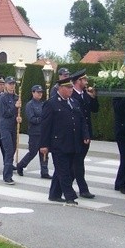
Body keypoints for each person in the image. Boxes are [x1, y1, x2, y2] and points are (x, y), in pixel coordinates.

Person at [40, 77, 89, 205]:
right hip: (58, 143)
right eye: (68, 87)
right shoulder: (51, 103)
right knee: (64, 171)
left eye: (72, 87)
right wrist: (44, 144)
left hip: (73, 142)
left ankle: (54, 194)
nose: (71, 90)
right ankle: (69, 196)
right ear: (60, 88)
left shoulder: (74, 102)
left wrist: (85, 134)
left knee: (69, 170)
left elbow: (81, 120)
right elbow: (45, 126)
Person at [69, 69, 97, 199]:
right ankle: (83, 189)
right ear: (78, 81)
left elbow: (95, 109)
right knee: (78, 161)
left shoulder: (85, 94)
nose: (86, 82)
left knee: (77, 162)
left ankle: (65, 185)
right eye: (84, 80)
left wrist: (93, 97)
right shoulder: (71, 95)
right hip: (76, 134)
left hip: (86, 133)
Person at [16, 85, 50, 179]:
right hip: (35, 132)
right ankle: (21, 165)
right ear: (33, 93)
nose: (40, 94)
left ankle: (44, 172)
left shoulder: (43, 103)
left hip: (43, 132)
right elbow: (31, 119)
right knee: (33, 152)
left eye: (41, 92)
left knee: (44, 152)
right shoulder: (30, 104)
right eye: (38, 92)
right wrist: (42, 119)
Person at [0, 76, 21, 185]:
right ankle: (7, 176)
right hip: (5, 127)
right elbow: (5, 113)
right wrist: (15, 107)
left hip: (13, 127)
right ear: (6, 85)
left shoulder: (17, 97)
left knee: (13, 150)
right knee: (9, 150)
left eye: (13, 84)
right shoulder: (3, 97)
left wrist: (19, 117)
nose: (12, 86)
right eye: (10, 84)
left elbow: (17, 113)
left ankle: (8, 172)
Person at [113, 96, 125, 194]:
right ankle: (123, 184)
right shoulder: (118, 96)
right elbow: (118, 109)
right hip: (122, 131)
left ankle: (120, 181)